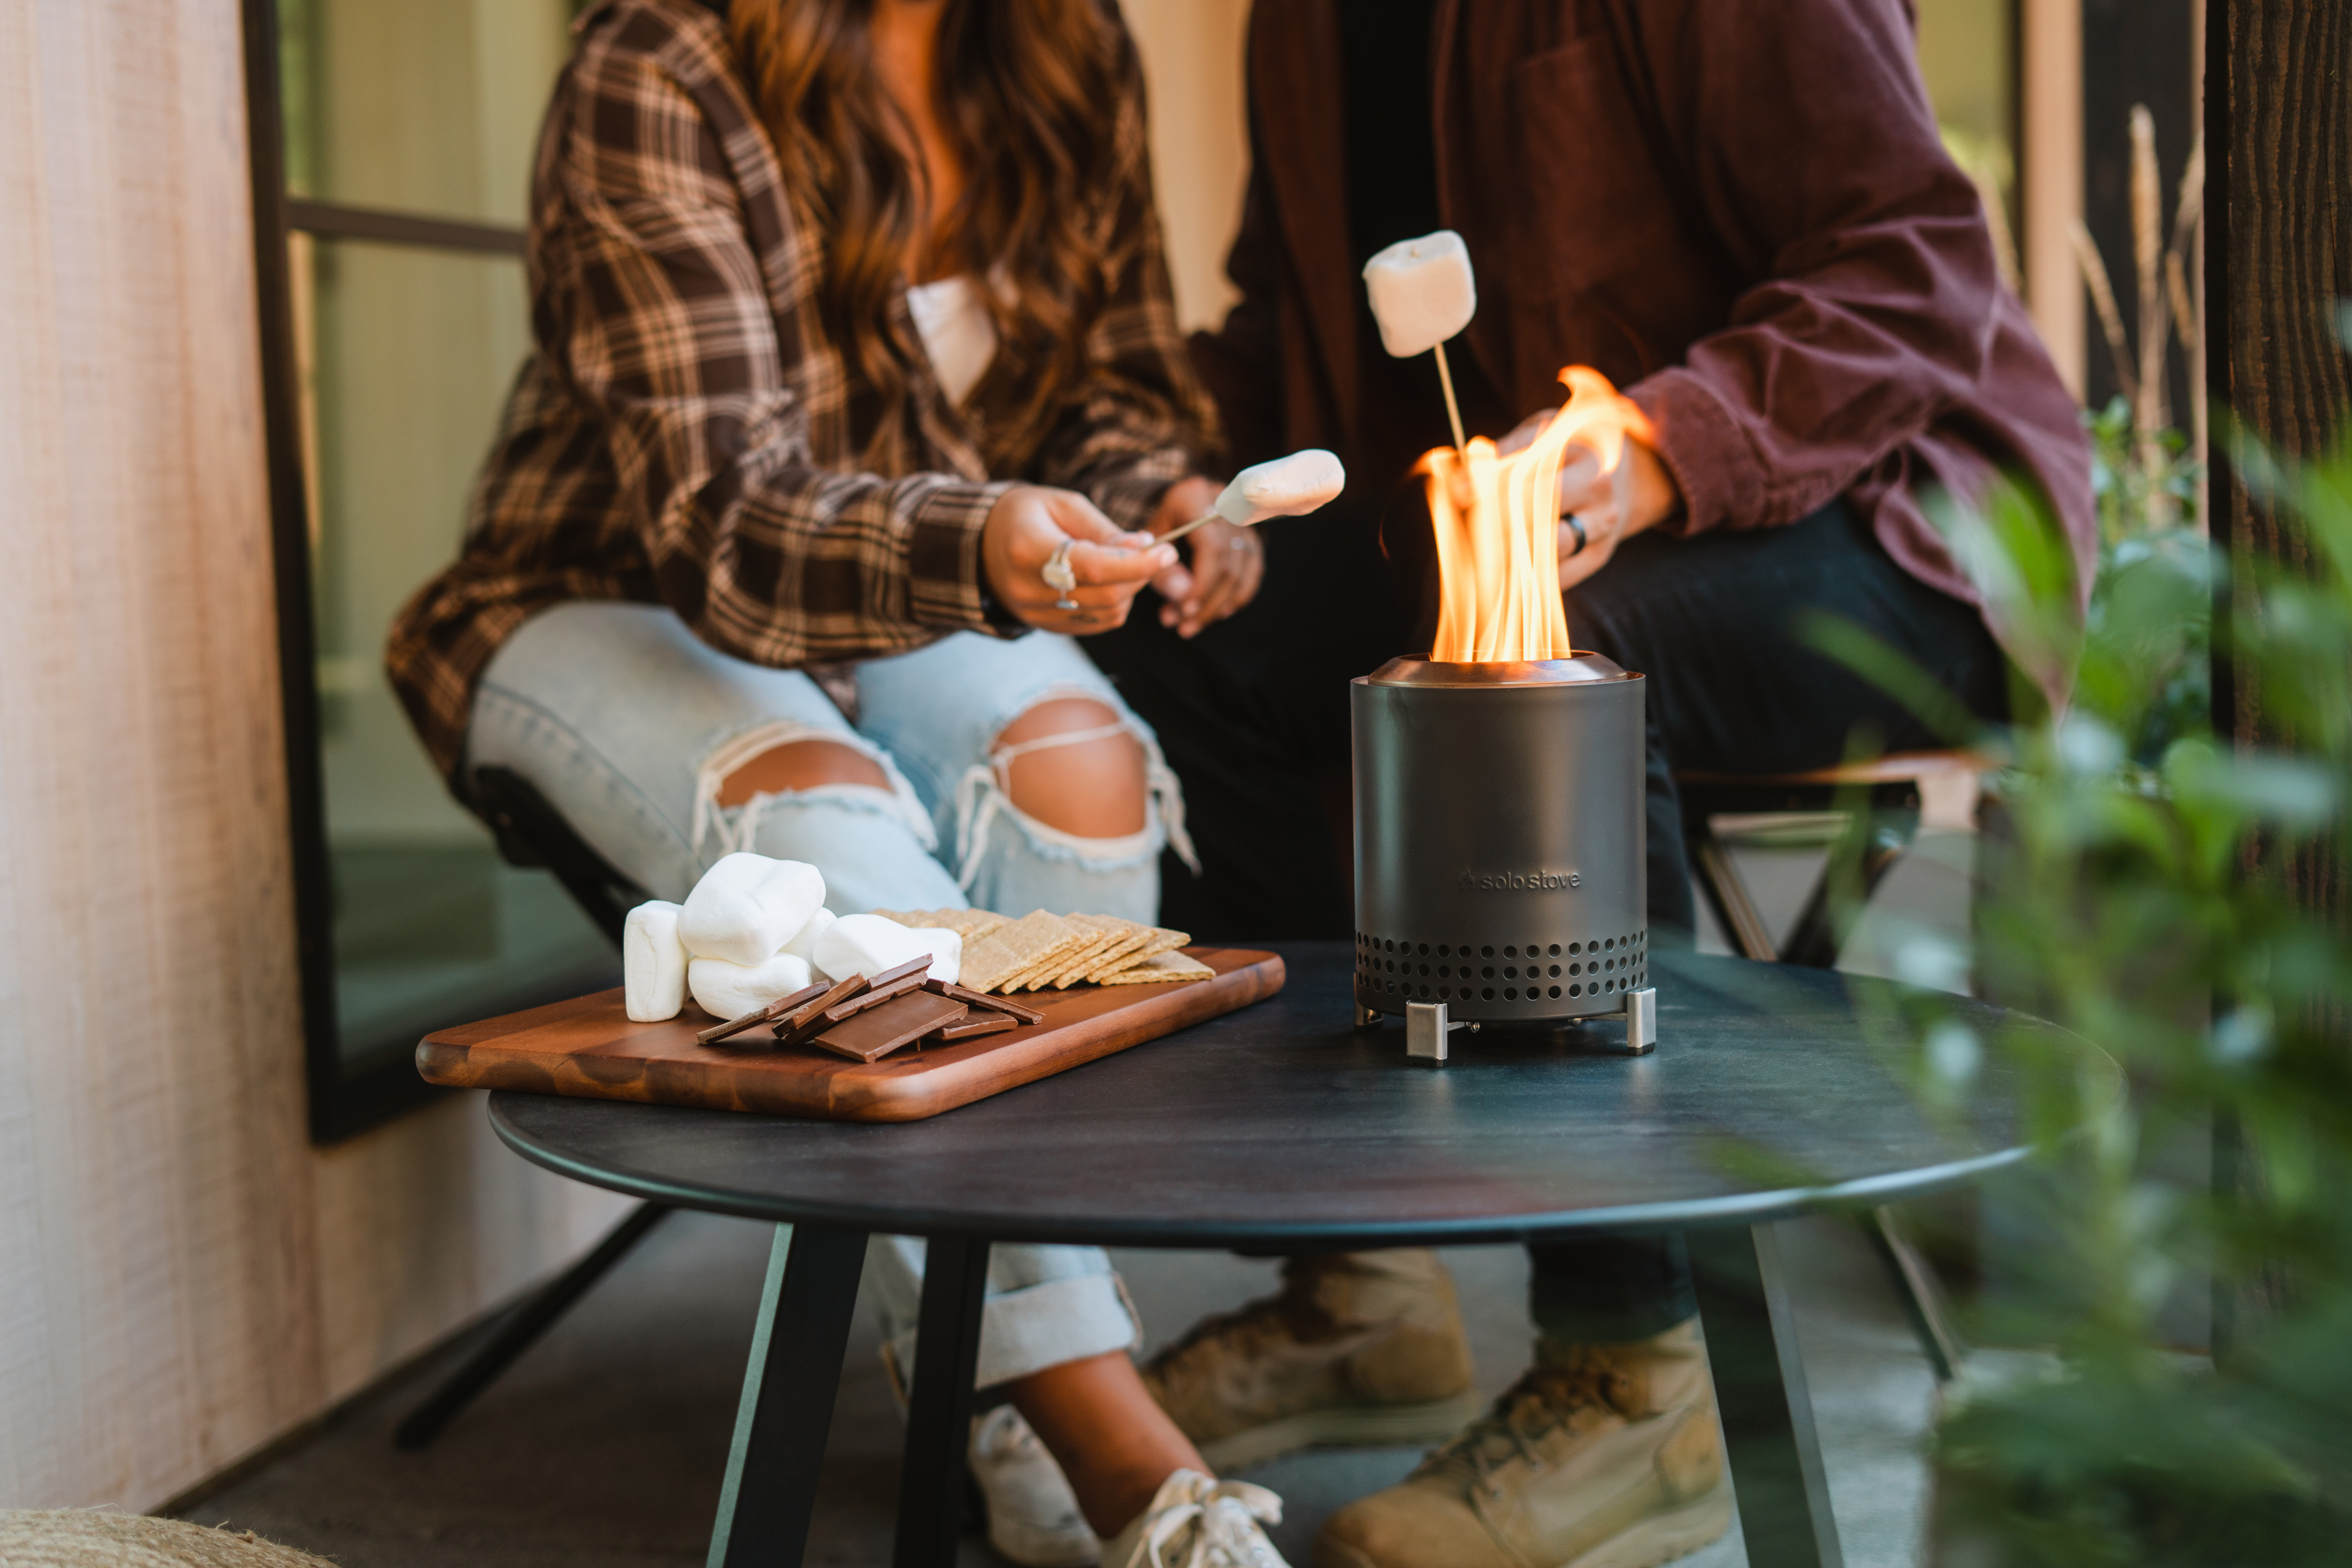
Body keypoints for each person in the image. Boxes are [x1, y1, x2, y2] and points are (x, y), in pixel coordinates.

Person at [1085, 3, 2096, 1567]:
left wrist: (1661, 445)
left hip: (1896, 518)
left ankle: (1641, 1372)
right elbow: (1284, 320)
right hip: (1492, 542)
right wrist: (1180, 496)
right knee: (1195, 653)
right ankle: (1361, 1286)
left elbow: (1912, 262)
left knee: (1551, 669)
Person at [384, 1, 1283, 1563]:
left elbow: (1114, 381)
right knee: (815, 823)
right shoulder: (657, 63)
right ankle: (1129, 1462)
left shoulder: (1068, 48)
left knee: (1079, 771)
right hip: (603, 590)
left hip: (913, 595)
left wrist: (1160, 494)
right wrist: (985, 543)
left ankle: (1005, 1398)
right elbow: (725, 516)